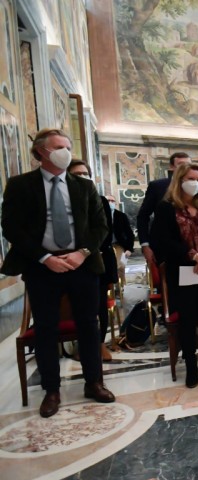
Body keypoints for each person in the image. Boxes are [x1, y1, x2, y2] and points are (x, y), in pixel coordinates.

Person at [1, 128, 115, 417]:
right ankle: (51, 390)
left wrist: (82, 253)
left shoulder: (83, 186)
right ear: (41, 152)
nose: (66, 151)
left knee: (90, 325)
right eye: (59, 146)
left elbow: (100, 227)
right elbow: (12, 227)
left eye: (67, 145)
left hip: (82, 265)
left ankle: (94, 382)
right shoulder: (19, 185)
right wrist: (44, 257)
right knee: (46, 329)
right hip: (42, 268)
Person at [150, 163, 198, 388]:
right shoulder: (166, 208)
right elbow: (161, 241)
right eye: (191, 178)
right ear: (180, 180)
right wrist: (193, 256)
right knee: (188, 320)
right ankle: (191, 366)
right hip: (181, 270)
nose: (195, 183)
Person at [67, 160, 116, 363]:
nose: (83, 177)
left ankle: (100, 343)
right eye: (77, 174)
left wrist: (85, 250)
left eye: (86, 173)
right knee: (75, 307)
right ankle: (80, 344)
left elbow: (104, 231)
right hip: (68, 260)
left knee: (100, 305)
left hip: (97, 258)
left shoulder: (100, 200)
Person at [137, 152, 192, 265]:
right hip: (163, 246)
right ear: (172, 167)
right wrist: (145, 245)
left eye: (188, 164)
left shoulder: (196, 187)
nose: (185, 168)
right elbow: (143, 215)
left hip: (191, 246)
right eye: (181, 164)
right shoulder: (157, 187)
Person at [105, 195, 135, 289]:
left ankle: (120, 287)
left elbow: (129, 233)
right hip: (105, 245)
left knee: (120, 265)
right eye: (108, 200)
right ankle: (109, 288)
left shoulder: (121, 216)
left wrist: (129, 248)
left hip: (118, 245)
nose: (110, 202)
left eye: (112, 201)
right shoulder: (100, 215)